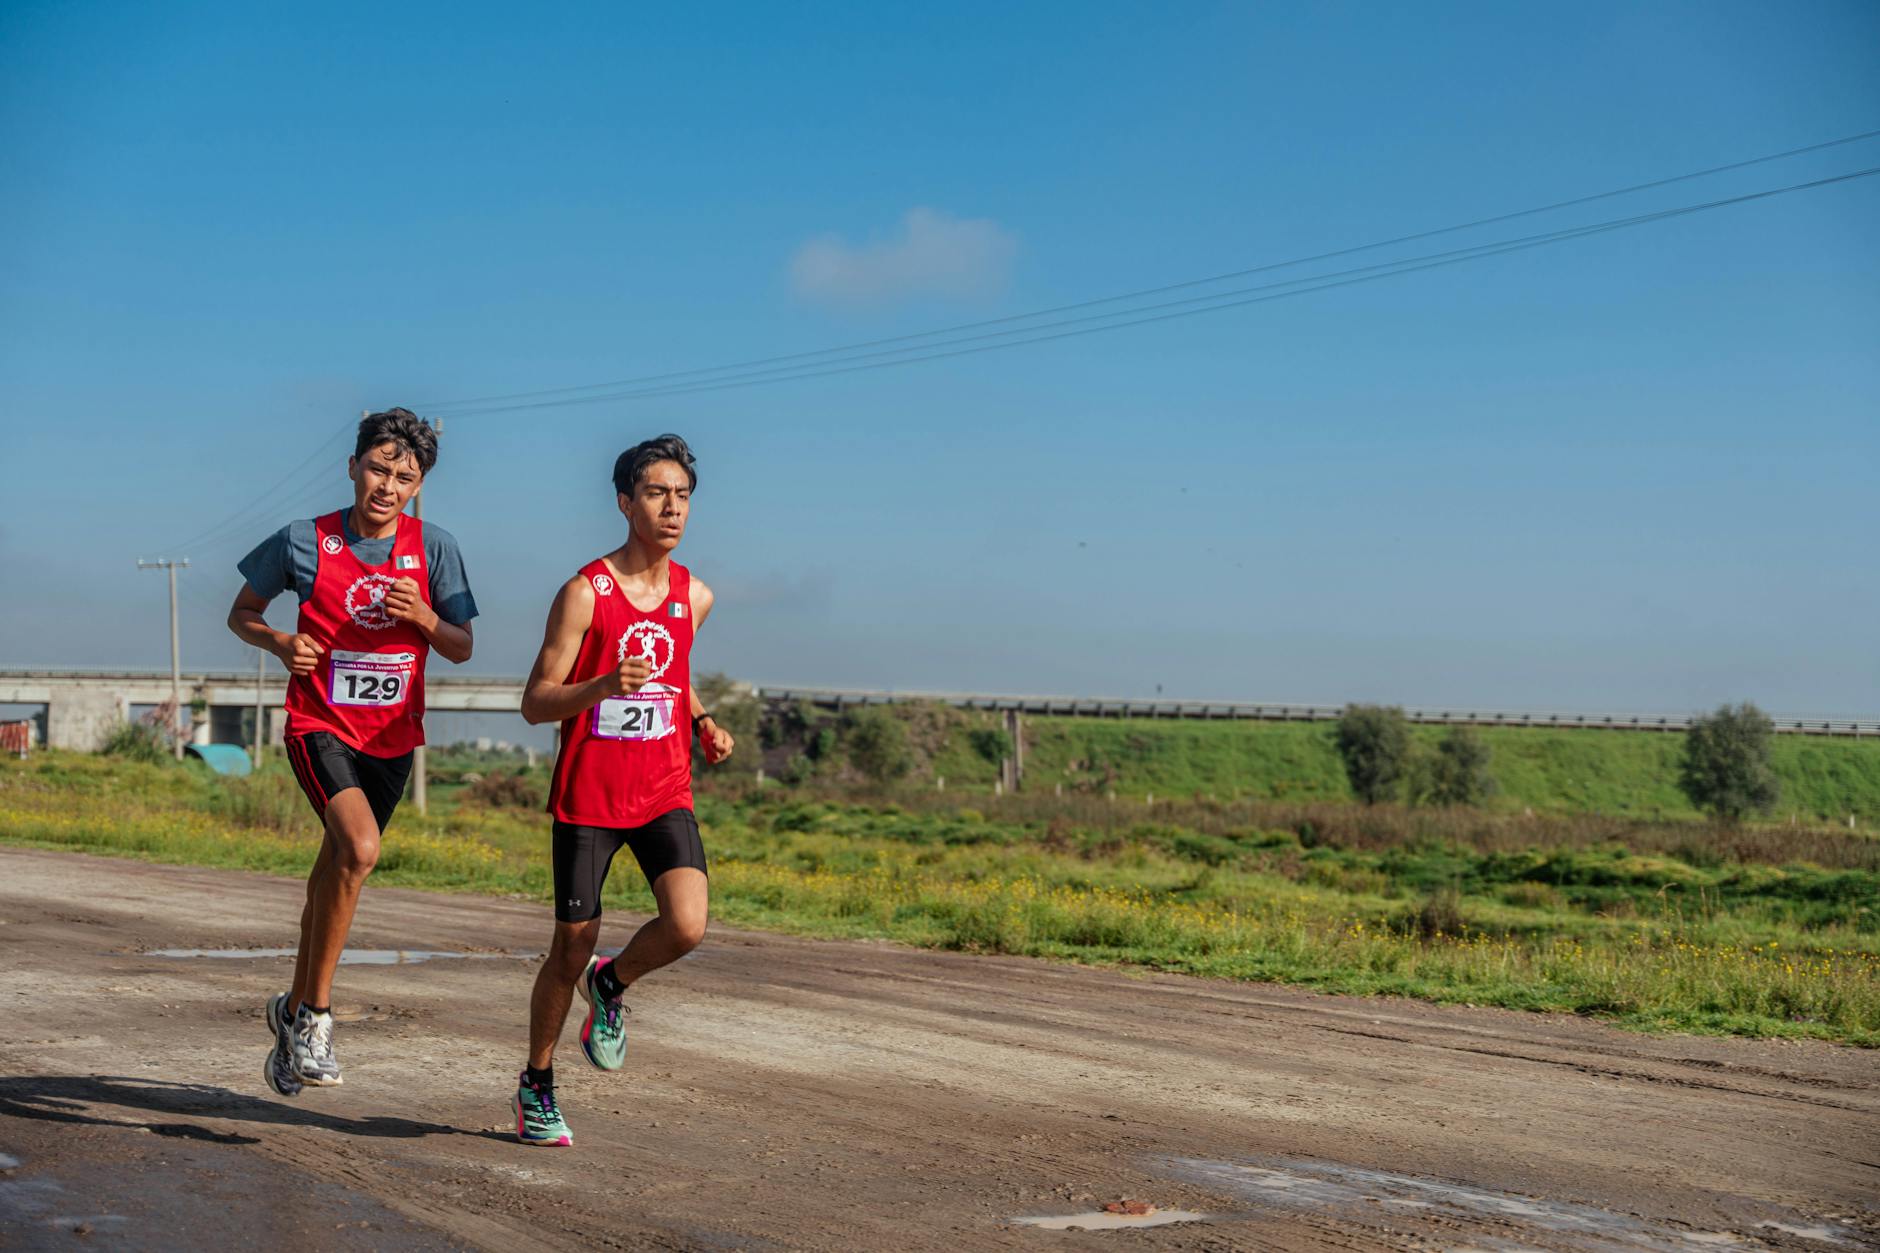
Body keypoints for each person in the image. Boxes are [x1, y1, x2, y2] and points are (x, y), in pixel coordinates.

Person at [227, 408, 477, 1097]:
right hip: (320, 724)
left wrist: (423, 616)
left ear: (418, 486)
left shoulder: (435, 549)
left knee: (334, 868)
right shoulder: (304, 541)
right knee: (360, 850)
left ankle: (287, 1011)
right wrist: (280, 642)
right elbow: (241, 613)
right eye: (378, 467)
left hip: (392, 738)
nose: (387, 485)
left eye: (404, 476)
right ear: (352, 466)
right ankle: (315, 1015)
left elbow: (461, 645)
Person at [511, 433, 733, 1147]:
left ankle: (611, 986)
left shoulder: (694, 595)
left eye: (683, 495)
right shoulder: (584, 593)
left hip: (665, 786)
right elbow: (537, 701)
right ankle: (537, 1083)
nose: (673, 507)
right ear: (624, 502)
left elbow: (675, 671)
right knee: (570, 947)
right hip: (590, 797)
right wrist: (604, 683)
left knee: (688, 925)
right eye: (657, 493)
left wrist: (700, 717)